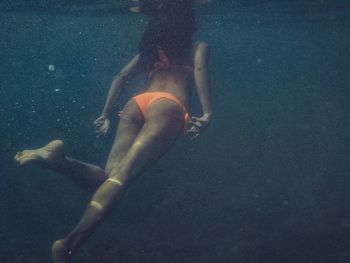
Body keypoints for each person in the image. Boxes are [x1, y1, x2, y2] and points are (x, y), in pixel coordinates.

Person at [14, 0, 212, 262]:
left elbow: (121, 76)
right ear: (189, 23)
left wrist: (106, 113)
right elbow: (199, 69)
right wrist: (208, 112)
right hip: (168, 108)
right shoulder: (198, 47)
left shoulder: (151, 50)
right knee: (123, 178)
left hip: (137, 103)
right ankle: (69, 243)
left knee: (111, 176)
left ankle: (57, 161)